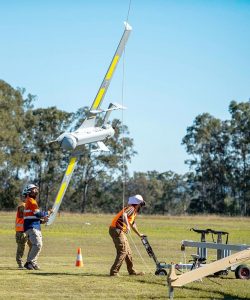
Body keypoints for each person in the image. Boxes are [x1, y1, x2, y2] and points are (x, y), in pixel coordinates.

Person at [109, 194, 146, 276]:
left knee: (128, 251)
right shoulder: (131, 208)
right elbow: (124, 215)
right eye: (141, 204)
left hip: (119, 231)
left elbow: (132, 223)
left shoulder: (133, 211)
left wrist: (139, 234)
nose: (141, 206)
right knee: (123, 251)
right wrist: (127, 226)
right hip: (117, 230)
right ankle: (114, 272)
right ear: (138, 204)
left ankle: (132, 271)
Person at [23, 184, 53, 270]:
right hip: (31, 227)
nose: (36, 190)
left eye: (36, 189)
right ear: (29, 192)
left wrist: (42, 221)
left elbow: (33, 216)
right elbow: (38, 214)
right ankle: (29, 263)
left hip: (34, 226)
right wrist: (48, 212)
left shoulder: (31, 201)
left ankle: (33, 263)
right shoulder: (31, 201)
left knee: (38, 245)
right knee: (37, 244)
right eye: (34, 189)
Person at [15, 189, 32, 269]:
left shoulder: (28, 205)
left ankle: (29, 262)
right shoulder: (22, 205)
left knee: (33, 246)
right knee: (21, 248)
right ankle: (20, 264)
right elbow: (25, 216)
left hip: (28, 230)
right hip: (21, 231)